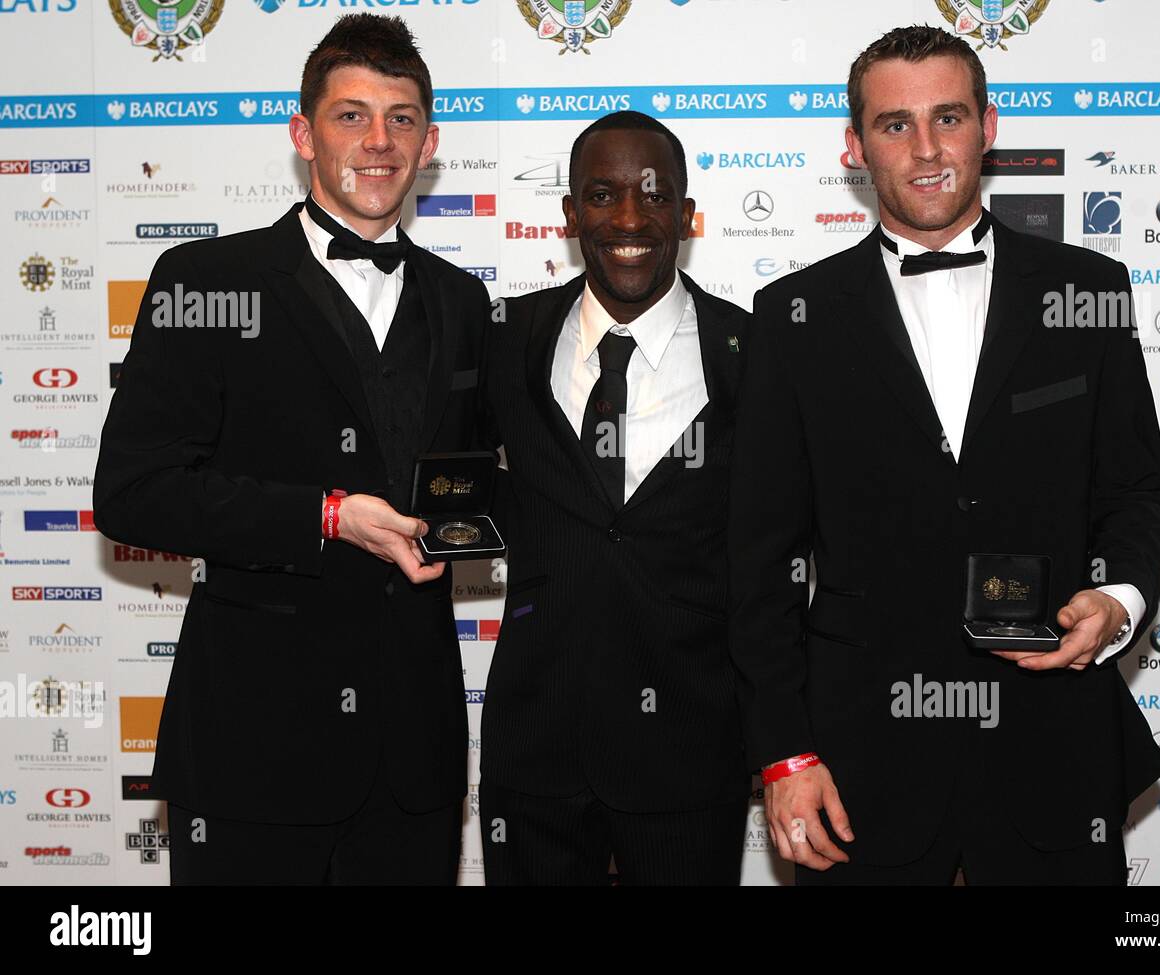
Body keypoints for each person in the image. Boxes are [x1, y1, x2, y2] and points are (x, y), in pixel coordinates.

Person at [728, 26, 1160, 885]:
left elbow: (1135, 490)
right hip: (861, 767)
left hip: (1052, 744)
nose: (927, 149)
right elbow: (760, 563)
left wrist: (1118, 600)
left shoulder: (1088, 288)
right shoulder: (792, 316)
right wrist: (784, 755)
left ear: (988, 126)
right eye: (895, 125)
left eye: (948, 118)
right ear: (855, 148)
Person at [93, 13, 490, 884]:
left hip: (414, 762)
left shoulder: (464, 303)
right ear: (303, 134)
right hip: (251, 750)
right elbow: (134, 491)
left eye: (402, 118)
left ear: (430, 144)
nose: (379, 141)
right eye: (351, 116)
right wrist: (325, 515)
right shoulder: (202, 283)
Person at [477, 112, 751, 885]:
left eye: (654, 196)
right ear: (568, 216)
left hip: (691, 757)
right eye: (602, 195)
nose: (629, 219)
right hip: (534, 750)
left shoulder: (756, 357)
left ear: (687, 215)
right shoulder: (502, 337)